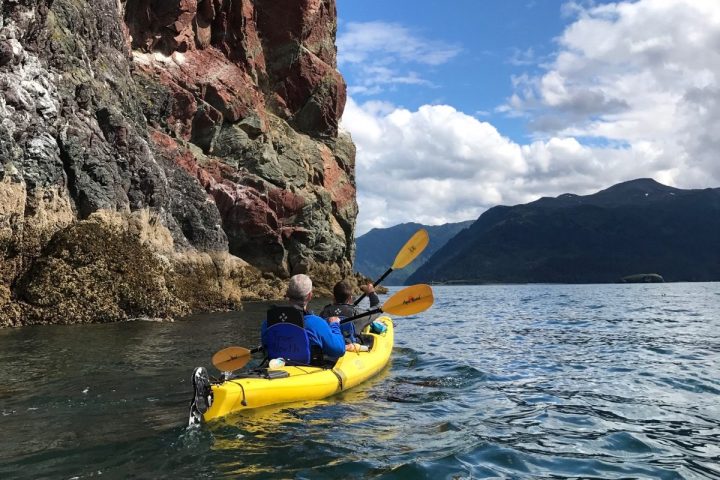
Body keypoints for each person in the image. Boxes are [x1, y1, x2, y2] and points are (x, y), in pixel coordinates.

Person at [260, 274, 346, 365]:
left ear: (287, 294)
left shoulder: (268, 323)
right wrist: (334, 325)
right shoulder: (316, 323)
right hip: (308, 372)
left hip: (278, 370)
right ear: (310, 296)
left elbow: (265, 348)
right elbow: (339, 350)